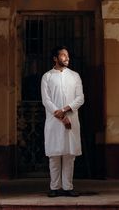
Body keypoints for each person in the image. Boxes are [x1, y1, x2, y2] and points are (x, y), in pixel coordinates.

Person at [40, 46, 84, 198]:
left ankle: (67, 187)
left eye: (67, 55)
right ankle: (54, 187)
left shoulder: (74, 76)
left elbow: (80, 98)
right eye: (63, 55)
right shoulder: (47, 77)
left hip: (71, 119)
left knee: (69, 155)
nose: (67, 58)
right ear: (55, 58)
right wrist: (60, 116)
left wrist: (65, 110)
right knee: (54, 155)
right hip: (54, 121)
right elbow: (46, 100)